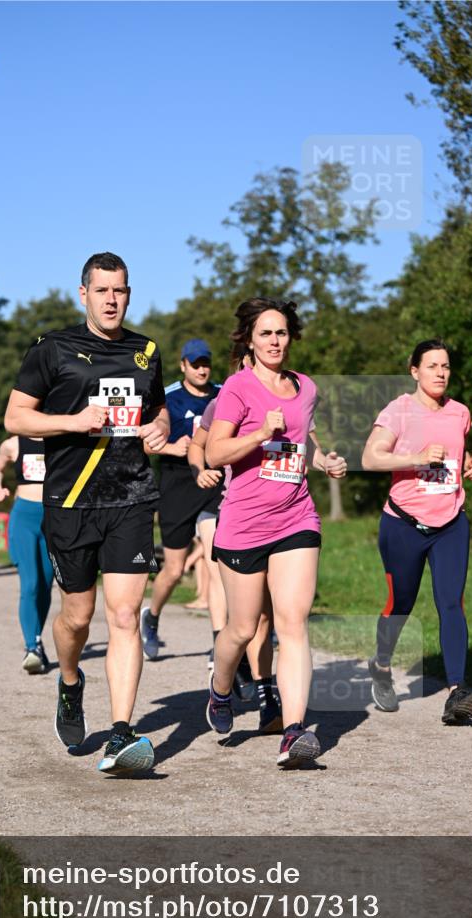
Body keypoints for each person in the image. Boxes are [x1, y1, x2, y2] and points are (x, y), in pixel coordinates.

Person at [4, 251, 169, 774]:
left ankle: (121, 733)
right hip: (71, 500)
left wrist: (161, 427)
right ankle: (71, 681)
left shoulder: (146, 351)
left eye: (120, 290)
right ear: (84, 294)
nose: (112, 299)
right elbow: (15, 416)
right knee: (76, 616)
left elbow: (157, 407)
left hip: (130, 498)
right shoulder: (52, 349)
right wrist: (74, 422)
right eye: (102, 291)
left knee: (124, 617)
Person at [205, 298, 347, 767]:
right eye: (265, 333)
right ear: (250, 339)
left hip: (296, 518)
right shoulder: (238, 389)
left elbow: (303, 438)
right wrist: (257, 434)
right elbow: (214, 453)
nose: (274, 341)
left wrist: (324, 461)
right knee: (241, 629)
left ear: (291, 337)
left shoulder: (305, 388)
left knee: (292, 622)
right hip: (244, 524)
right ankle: (221, 690)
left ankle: (293, 731)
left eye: (281, 333)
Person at [361, 339, 472, 724]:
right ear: (414, 371)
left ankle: (456, 691)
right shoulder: (398, 411)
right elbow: (370, 457)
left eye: (445, 366)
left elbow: (456, 454)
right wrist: (415, 458)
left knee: (451, 602)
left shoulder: (460, 413)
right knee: (401, 604)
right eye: (432, 366)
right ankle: (381, 666)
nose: (441, 373)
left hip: (450, 521)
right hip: (403, 523)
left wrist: (470, 467)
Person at [190, 393, 280, 728]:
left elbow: (303, 448)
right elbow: (199, 446)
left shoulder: (290, 395)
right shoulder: (224, 400)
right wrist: (200, 470)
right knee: (242, 621)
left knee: (266, 617)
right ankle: (222, 677)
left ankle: (267, 693)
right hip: (234, 513)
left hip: (283, 517)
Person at [140, 339, 223, 665]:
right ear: (183, 365)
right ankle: (153, 616)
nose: (202, 369)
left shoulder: (222, 394)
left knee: (216, 566)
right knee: (173, 570)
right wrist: (174, 448)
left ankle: (220, 643)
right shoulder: (168, 397)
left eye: (206, 363)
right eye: (195, 363)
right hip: (176, 486)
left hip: (213, 485)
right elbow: (145, 444)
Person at [0, 435, 54, 673]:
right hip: (24, 517)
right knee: (30, 584)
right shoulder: (12, 444)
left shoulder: (58, 437)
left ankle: (36, 641)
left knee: (46, 585)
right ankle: (31, 647)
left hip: (53, 516)